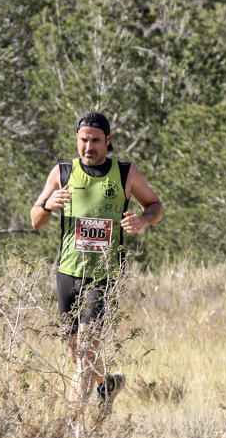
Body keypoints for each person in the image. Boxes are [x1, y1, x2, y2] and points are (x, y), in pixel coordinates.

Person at [30, 112, 163, 410]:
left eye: (95, 141)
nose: (88, 147)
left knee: (88, 351)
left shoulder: (126, 174)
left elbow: (156, 206)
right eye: (83, 140)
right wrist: (46, 205)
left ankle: (71, 425)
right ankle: (108, 384)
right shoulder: (63, 172)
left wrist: (143, 220)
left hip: (105, 273)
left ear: (108, 141)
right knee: (77, 352)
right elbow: (35, 220)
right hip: (67, 272)